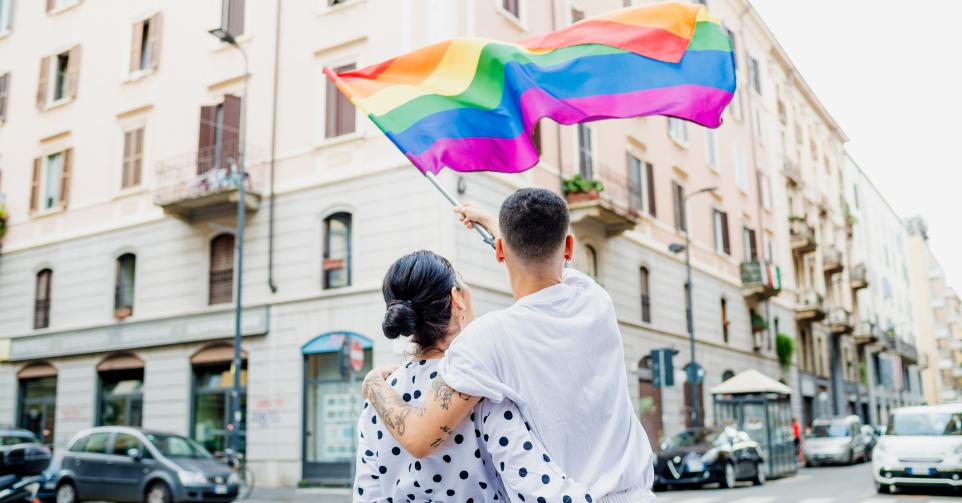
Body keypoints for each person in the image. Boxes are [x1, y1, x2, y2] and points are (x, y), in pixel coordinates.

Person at [363, 189, 652, 502]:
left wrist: (373, 385)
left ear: (499, 250)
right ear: (569, 246)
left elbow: (419, 437)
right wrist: (490, 219)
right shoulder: (595, 299)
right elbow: (540, 260)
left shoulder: (488, 339)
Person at [355, 250, 591, 502]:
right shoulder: (478, 386)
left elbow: (368, 494)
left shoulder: (378, 397)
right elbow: (537, 487)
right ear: (456, 299)